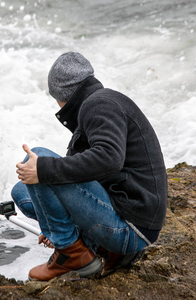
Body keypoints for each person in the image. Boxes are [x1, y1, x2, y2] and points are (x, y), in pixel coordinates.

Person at [11, 52, 167, 281]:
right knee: (21, 191)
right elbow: (81, 172)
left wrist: (43, 169)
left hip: (131, 228)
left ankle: (70, 253)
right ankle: (102, 250)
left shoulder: (100, 104)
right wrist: (51, 219)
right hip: (122, 217)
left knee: (39, 159)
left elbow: (109, 158)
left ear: (62, 93)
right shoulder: (96, 105)